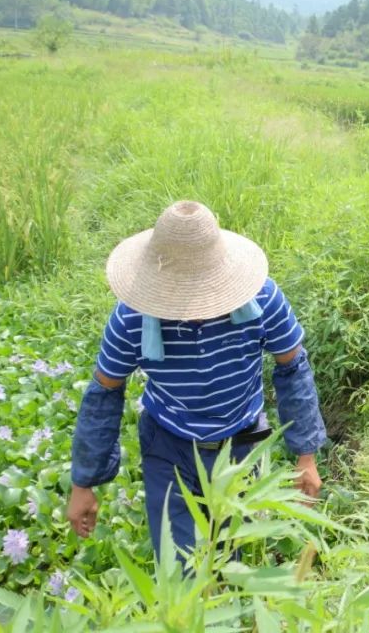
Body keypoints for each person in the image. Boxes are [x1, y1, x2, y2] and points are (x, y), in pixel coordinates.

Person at [66, 200, 327, 558]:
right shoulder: (132, 318)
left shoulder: (262, 299)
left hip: (245, 438)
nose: (192, 312)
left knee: (237, 560)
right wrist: (84, 481)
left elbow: (293, 368)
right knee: (180, 570)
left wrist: (306, 455)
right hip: (169, 443)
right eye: (178, 298)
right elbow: (103, 394)